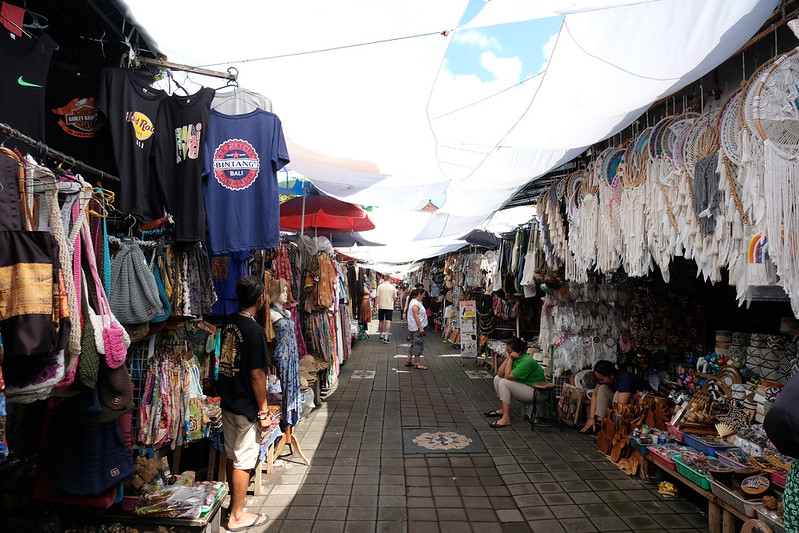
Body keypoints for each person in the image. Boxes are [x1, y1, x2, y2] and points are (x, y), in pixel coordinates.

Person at [218, 275, 270, 531]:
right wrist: (263, 409)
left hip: (228, 398)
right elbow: (256, 374)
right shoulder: (253, 330)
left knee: (232, 454)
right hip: (245, 405)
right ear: (260, 299)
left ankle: (233, 506)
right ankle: (236, 515)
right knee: (243, 460)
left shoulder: (229, 323)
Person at [484, 337, 545, 428]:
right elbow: (500, 373)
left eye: (509, 352)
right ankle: (503, 409)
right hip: (527, 387)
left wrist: (510, 359)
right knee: (497, 379)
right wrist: (508, 358)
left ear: (518, 352)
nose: (508, 354)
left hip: (538, 393)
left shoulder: (526, 361)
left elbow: (507, 376)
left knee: (504, 383)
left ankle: (506, 418)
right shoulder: (515, 357)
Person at [581, 360, 654, 433]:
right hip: (623, 400)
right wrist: (591, 418)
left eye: (602, 379)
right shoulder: (603, 381)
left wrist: (610, 424)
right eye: (599, 380)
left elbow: (620, 406)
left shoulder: (625, 379)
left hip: (644, 403)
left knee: (617, 394)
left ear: (612, 375)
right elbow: (595, 395)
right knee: (602, 388)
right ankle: (599, 425)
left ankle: (613, 429)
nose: (600, 382)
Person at [404, 288, 428, 369]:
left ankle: (408, 360)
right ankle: (417, 363)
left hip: (415, 327)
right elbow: (416, 316)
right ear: (419, 294)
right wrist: (420, 327)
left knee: (414, 343)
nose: (424, 296)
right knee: (418, 344)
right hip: (416, 328)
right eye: (423, 294)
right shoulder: (415, 304)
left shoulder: (416, 302)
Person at [375, 275, 398, 344]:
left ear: (384, 279)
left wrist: (375, 306)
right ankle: (386, 337)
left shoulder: (380, 287)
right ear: (389, 279)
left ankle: (381, 335)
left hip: (381, 306)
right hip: (389, 306)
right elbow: (395, 298)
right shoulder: (392, 287)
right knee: (388, 322)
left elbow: (377, 297)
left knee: (381, 321)